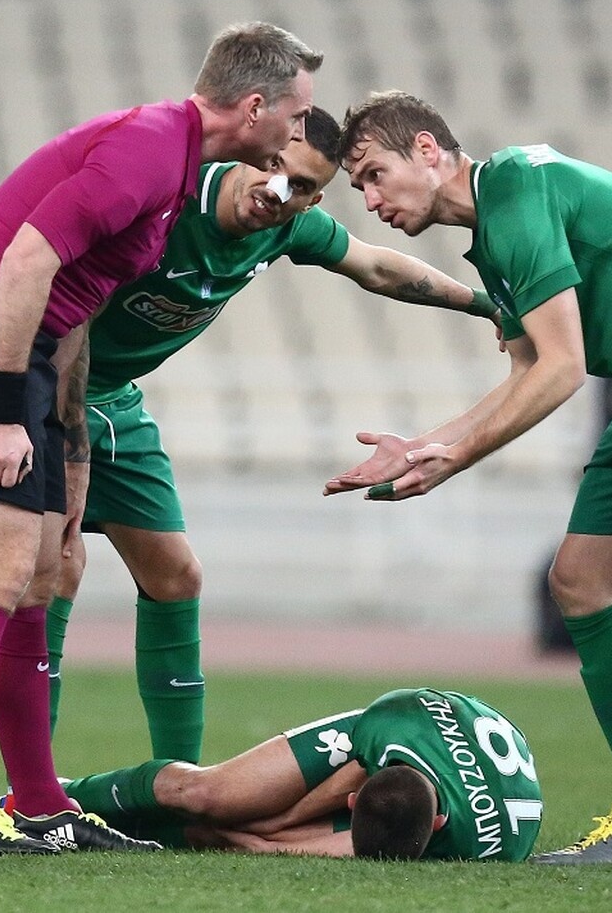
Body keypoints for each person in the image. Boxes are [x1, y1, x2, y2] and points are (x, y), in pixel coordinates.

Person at [0, 21, 322, 856]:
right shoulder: (147, 150)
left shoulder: (175, 159)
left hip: (31, 358)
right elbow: (25, 265)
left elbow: (70, 302)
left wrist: (62, 434)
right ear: (254, 106)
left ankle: (39, 801)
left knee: (40, 575)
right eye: (298, 114)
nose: (299, 131)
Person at [324, 91, 612, 866]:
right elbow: (527, 370)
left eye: (373, 174)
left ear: (428, 150)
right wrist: (426, 446)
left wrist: (452, 456)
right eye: (357, 189)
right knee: (576, 583)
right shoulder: (495, 240)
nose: (369, 200)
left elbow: (563, 369)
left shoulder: (519, 193)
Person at [46, 106, 502, 762]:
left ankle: (178, 786)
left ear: (316, 197)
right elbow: (67, 309)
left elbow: (379, 268)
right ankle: (25, 796)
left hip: (114, 398)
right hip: (51, 378)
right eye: (272, 168)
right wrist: (67, 447)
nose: (276, 191)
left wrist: (488, 304)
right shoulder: (166, 199)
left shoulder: (286, 226)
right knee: (56, 569)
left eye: (301, 186)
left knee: (176, 577)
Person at [47, 687, 542, 861]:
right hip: (394, 735)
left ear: (436, 829)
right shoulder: (393, 723)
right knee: (207, 794)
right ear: (355, 800)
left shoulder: (490, 843)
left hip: (434, 763)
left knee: (243, 842)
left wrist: (271, 839)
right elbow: (355, 769)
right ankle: (59, 798)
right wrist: (279, 822)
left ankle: (111, 836)